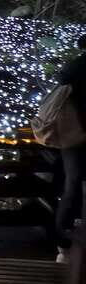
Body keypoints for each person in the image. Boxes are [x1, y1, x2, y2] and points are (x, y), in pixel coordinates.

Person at [55, 34, 86, 263]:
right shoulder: (77, 67)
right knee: (73, 184)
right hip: (76, 133)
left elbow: (62, 83)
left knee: (72, 185)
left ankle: (64, 244)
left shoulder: (74, 67)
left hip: (73, 133)